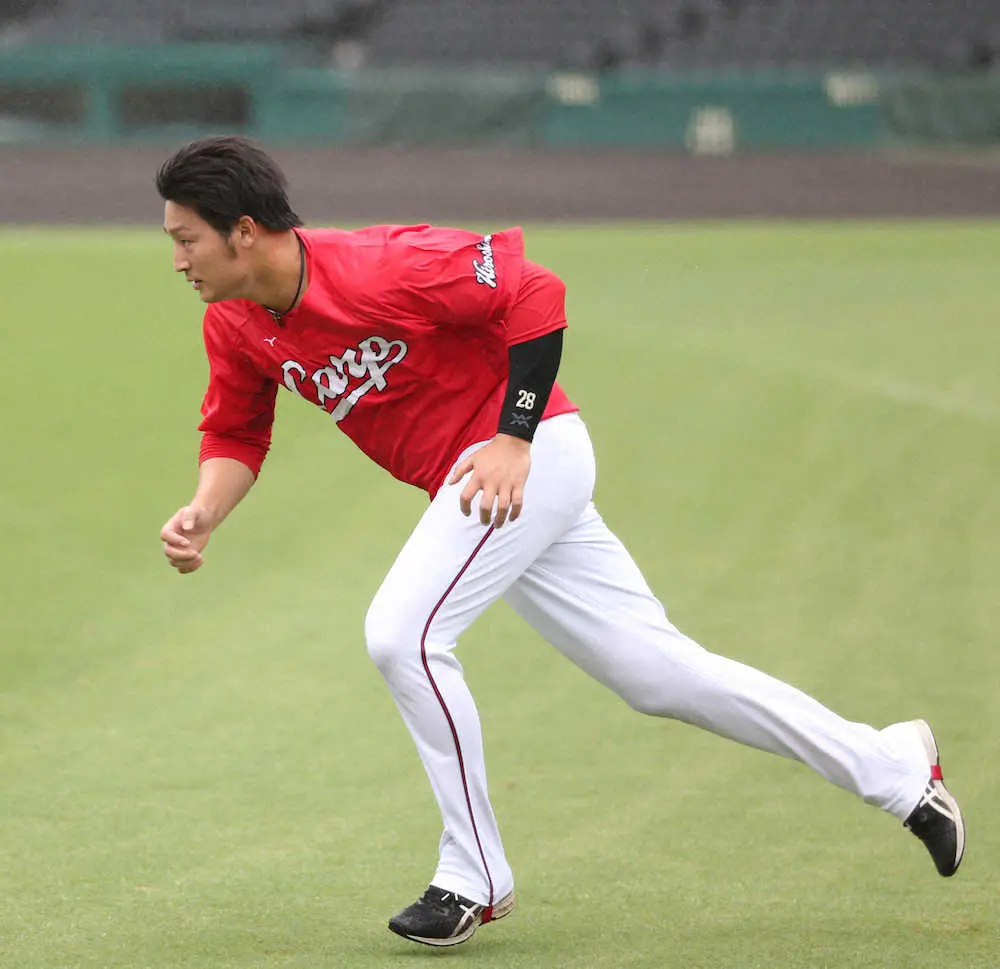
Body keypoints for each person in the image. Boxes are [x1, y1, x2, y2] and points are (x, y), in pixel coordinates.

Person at [156, 136, 964, 948]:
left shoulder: (382, 265)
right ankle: (891, 766)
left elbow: (534, 290)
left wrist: (515, 437)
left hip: (528, 455)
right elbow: (236, 430)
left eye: (187, 238)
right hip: (488, 484)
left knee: (402, 635)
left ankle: (473, 872)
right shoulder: (235, 322)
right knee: (659, 674)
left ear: (245, 230)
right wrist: (204, 510)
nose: (180, 259)